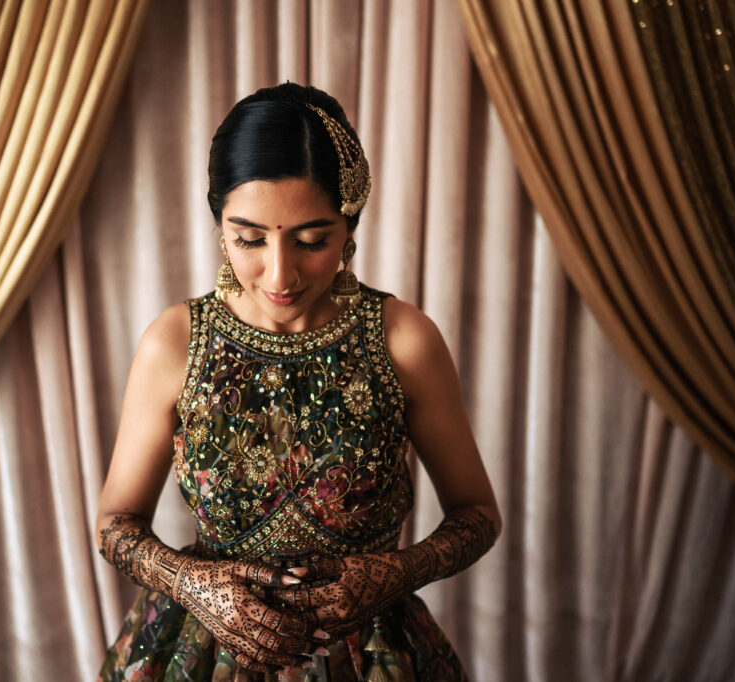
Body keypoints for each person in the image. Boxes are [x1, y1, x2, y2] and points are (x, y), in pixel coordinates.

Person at [95, 82, 500, 682]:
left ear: (349, 224)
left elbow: (477, 513)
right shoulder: (175, 342)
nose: (280, 274)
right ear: (219, 225)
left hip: (370, 657)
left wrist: (397, 573)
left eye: (313, 241)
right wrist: (194, 583)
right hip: (203, 652)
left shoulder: (402, 340)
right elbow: (115, 523)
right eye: (249, 240)